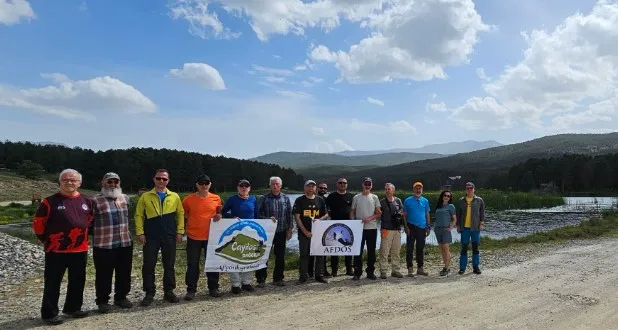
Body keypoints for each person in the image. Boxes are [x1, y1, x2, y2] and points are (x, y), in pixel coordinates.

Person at [32, 169, 93, 325]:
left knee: (78, 280)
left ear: (80, 183)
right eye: (65, 180)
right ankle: (49, 313)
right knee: (53, 282)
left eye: (73, 180)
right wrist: (47, 240)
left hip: (80, 249)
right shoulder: (49, 202)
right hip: (56, 250)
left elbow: (90, 222)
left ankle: (73, 308)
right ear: (59, 182)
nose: (69, 182)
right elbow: (39, 224)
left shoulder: (87, 201)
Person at [135, 169, 185, 306]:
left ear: (168, 181)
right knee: (148, 265)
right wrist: (140, 233)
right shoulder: (145, 196)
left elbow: (180, 214)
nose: (161, 181)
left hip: (169, 235)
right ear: (154, 179)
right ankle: (149, 292)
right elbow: (139, 215)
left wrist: (180, 232)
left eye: (164, 179)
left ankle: (169, 291)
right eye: (159, 178)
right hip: (151, 236)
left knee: (169, 265)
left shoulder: (174, 196)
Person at [91, 172, 134, 313]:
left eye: (116, 182)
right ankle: (102, 301)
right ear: (103, 183)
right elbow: (88, 223)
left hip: (124, 242)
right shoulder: (95, 201)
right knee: (104, 274)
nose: (113, 185)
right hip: (104, 244)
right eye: (110, 182)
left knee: (124, 272)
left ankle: (121, 297)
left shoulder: (125, 198)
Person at [182, 174, 223, 300]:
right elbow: (183, 216)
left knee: (212, 263)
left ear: (210, 184)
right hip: (193, 237)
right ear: (197, 185)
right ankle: (191, 290)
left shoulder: (216, 198)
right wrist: (181, 232)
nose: (204, 186)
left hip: (211, 237)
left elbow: (220, 212)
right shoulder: (188, 200)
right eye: (201, 183)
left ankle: (213, 288)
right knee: (192, 265)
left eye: (206, 183)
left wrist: (220, 216)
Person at [221, 179, 259, 294]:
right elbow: (223, 212)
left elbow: (257, 215)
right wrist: (231, 217)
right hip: (235, 232)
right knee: (234, 257)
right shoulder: (232, 199)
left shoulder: (253, 199)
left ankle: (247, 282)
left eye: (246, 186)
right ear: (238, 188)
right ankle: (235, 284)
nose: (244, 188)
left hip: (250, 232)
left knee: (249, 256)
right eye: (241, 186)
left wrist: (269, 220)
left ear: (249, 188)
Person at [256, 176, 294, 287]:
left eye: (277, 184)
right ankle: (261, 279)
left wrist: (290, 229)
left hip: (281, 231)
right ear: (270, 185)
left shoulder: (286, 198)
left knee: (280, 256)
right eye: (273, 184)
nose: (275, 186)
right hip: (266, 232)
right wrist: (266, 218)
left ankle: (278, 279)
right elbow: (258, 214)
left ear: (280, 185)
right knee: (263, 255)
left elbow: (289, 215)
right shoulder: (264, 198)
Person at [294, 180, 329, 284]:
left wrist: (320, 220)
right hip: (304, 232)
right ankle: (303, 276)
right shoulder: (299, 200)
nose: (310, 188)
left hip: (318, 232)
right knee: (304, 254)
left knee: (320, 254)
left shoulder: (320, 200)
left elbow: (326, 214)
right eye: (308, 186)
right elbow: (297, 217)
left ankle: (319, 275)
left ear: (315, 188)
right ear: (305, 188)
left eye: (312, 186)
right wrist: (305, 231)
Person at [350, 177, 381, 281]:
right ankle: (357, 272)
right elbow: (352, 212)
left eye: (369, 184)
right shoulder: (356, 197)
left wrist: (370, 218)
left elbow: (378, 213)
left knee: (371, 251)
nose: (367, 185)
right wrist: (353, 223)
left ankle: (370, 272)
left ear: (371, 186)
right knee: (358, 251)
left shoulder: (375, 197)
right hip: (359, 229)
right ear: (362, 185)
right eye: (366, 183)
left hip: (372, 228)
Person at [325, 177, 354, 276]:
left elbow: (353, 211)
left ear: (347, 185)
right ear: (337, 184)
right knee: (334, 249)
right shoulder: (331, 196)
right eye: (340, 183)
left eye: (344, 183)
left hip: (348, 226)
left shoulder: (351, 196)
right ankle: (334, 270)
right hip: (334, 226)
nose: (342, 184)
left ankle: (349, 269)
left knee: (348, 247)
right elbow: (326, 211)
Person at [456, 182, 486, 275]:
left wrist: (482, 223)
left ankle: (475, 267)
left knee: (475, 248)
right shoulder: (461, 200)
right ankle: (462, 268)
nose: (469, 190)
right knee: (464, 248)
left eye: (471, 188)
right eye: (467, 188)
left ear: (474, 189)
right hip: (465, 228)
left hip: (475, 228)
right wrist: (458, 226)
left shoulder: (479, 200)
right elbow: (458, 214)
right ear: (466, 190)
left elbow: (482, 212)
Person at [403, 182, 431, 277]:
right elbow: (404, 215)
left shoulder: (425, 201)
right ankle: (410, 269)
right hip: (411, 226)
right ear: (413, 190)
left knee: (420, 248)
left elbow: (427, 214)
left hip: (422, 227)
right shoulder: (407, 201)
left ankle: (420, 268)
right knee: (409, 248)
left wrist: (428, 226)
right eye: (416, 188)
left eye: (420, 189)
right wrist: (405, 227)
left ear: (422, 190)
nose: (418, 190)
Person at [378, 183, 404, 279]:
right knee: (384, 252)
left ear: (393, 190)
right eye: (386, 189)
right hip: (386, 229)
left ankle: (395, 270)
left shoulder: (398, 200)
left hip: (397, 230)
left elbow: (402, 211)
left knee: (396, 251)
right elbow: (378, 213)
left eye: (389, 189)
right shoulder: (382, 202)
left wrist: (399, 213)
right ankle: (383, 271)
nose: (387, 191)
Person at [434, 190, 457, 276]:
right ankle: (446, 265)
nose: (446, 197)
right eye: (445, 195)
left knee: (446, 248)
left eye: (448, 196)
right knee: (442, 249)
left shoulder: (451, 206)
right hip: (437, 229)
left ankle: (446, 268)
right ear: (442, 196)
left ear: (450, 198)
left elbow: (454, 219)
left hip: (445, 229)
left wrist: (451, 227)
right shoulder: (438, 206)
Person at [313, 182, 329, 277]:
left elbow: (328, 212)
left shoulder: (327, 199)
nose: (323, 190)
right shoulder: (313, 198)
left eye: (324, 188)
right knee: (310, 250)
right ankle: (310, 271)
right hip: (311, 227)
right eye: (321, 188)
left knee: (323, 250)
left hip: (323, 227)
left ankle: (323, 270)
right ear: (317, 188)